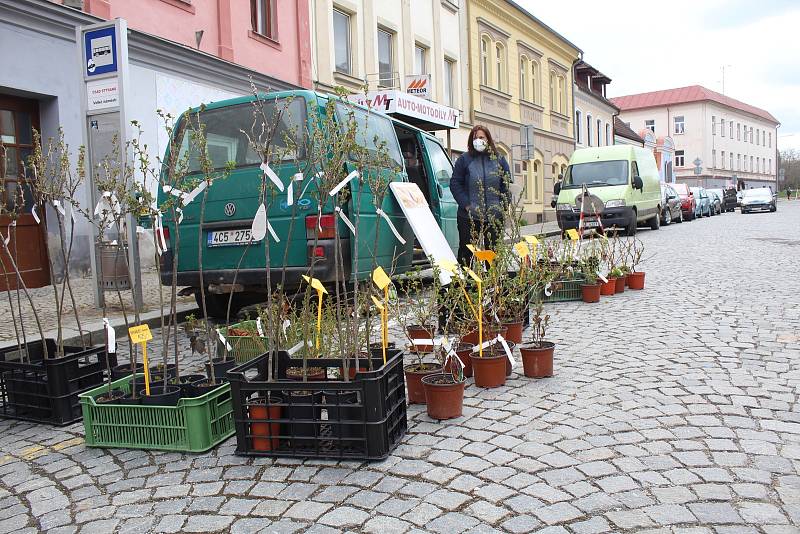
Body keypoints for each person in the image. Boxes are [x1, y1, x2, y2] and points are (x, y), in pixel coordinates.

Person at [450, 125, 511, 265]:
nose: (478, 140)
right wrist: (466, 205)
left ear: (488, 139)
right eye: (475, 138)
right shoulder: (464, 160)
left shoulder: (499, 160)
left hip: (494, 216)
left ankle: (493, 283)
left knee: (493, 254)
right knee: (467, 253)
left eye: (481, 137)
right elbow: (455, 183)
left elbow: (507, 185)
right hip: (469, 216)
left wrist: (503, 206)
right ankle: (468, 283)